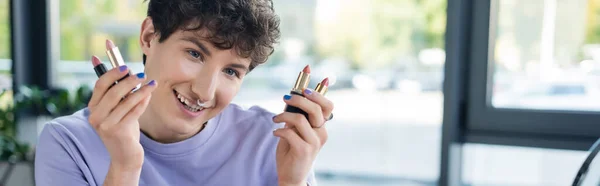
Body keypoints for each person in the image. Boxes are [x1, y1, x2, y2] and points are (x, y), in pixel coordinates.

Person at [33, 0, 334, 185]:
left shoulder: (271, 141)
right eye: (194, 54)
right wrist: (125, 167)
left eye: (231, 71)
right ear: (149, 37)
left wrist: (293, 183)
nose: (205, 91)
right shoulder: (69, 143)